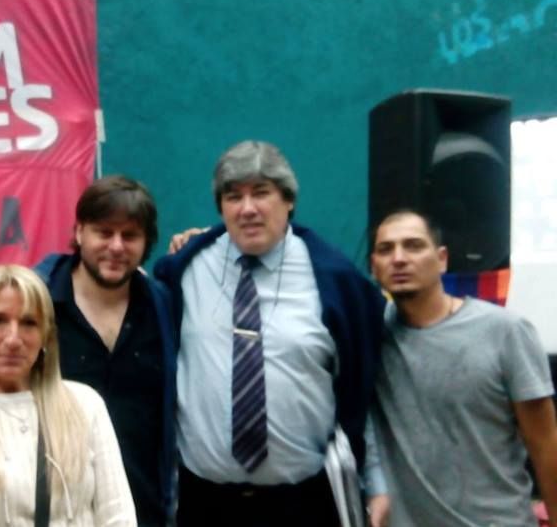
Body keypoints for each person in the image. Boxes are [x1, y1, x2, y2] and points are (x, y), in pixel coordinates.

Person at [154, 140, 385, 526]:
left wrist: (375, 481)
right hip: (204, 502)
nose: (247, 209)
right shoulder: (185, 267)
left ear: (289, 200)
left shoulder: (336, 281)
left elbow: (367, 388)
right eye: (234, 197)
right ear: (221, 208)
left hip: (303, 504)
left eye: (261, 193)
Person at [368, 209, 557, 526]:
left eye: (414, 245)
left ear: (441, 259)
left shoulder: (505, 331)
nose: (399, 258)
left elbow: (545, 442)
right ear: (374, 266)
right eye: (386, 249)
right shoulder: (370, 334)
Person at [0, 265, 136, 526]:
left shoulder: (86, 406)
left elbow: (119, 516)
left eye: (29, 323)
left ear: (46, 335)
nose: (13, 339)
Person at [34, 175, 175, 526]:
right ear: (79, 232)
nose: (116, 246)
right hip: (57, 510)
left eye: (130, 236)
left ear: (146, 242)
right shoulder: (36, 304)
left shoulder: (163, 307)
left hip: (145, 508)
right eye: (104, 232)